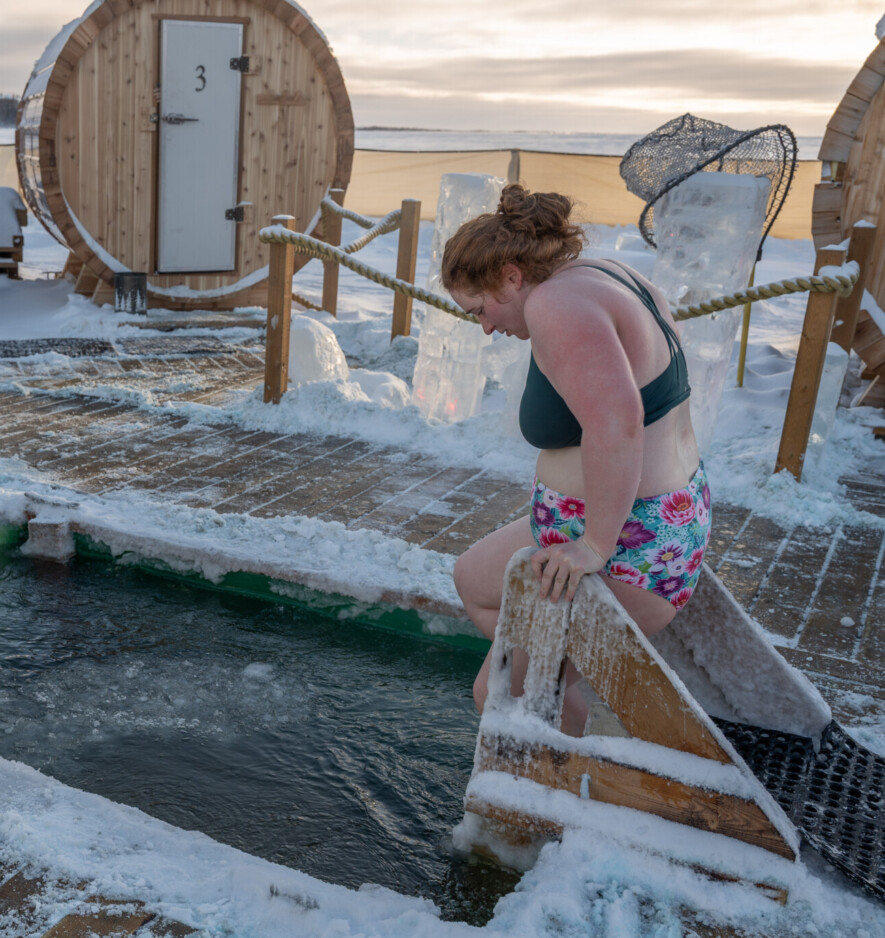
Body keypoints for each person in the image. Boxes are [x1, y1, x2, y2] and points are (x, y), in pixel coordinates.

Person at [441, 184, 712, 734]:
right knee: (473, 579)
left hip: (631, 544)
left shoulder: (556, 305)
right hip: (633, 519)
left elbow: (618, 426)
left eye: (481, 309)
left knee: (499, 697)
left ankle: (565, 790)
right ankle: (567, 697)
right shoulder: (600, 273)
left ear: (512, 276)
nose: (488, 327)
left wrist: (594, 545)